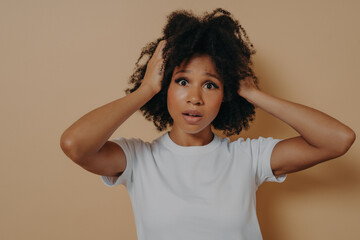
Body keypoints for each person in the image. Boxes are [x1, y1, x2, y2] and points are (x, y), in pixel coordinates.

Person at [60, 8, 355, 240]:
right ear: (166, 87)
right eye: (182, 81)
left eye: (211, 85)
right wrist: (146, 89)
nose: (195, 97)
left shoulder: (248, 158)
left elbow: (338, 139)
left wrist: (252, 93)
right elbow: (75, 144)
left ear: (226, 93)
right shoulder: (139, 159)